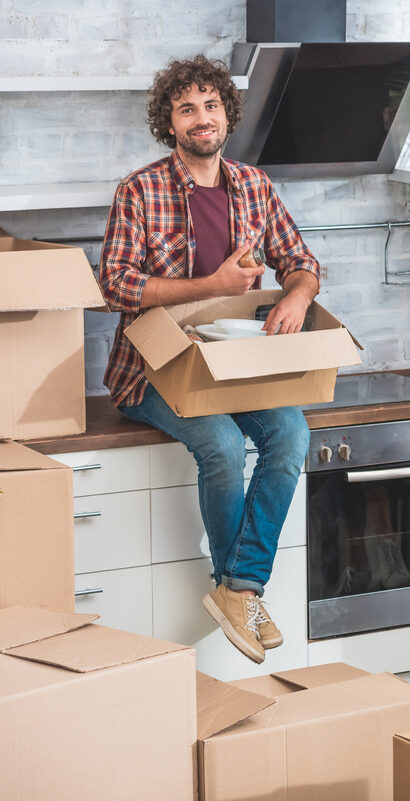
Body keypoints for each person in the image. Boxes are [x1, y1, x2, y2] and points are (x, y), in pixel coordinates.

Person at [98, 55, 319, 664]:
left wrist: (297, 295)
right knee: (220, 444)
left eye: (211, 105)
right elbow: (114, 286)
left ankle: (238, 587)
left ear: (228, 113)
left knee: (292, 435)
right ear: (169, 123)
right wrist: (213, 285)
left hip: (232, 368)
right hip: (151, 372)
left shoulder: (255, 186)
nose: (202, 118)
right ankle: (242, 591)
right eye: (186, 108)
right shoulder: (139, 190)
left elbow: (301, 260)